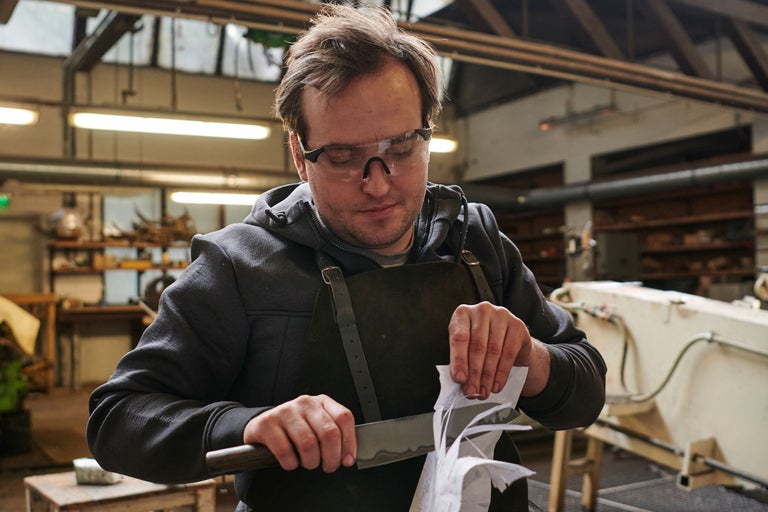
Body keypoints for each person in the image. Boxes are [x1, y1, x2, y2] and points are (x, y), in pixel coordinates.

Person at [87, 4, 606, 511]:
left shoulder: (476, 240)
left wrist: (534, 361)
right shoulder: (237, 267)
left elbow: (586, 386)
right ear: (299, 154)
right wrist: (244, 424)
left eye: (401, 148)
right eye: (342, 157)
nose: (378, 183)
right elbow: (117, 419)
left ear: (428, 132)